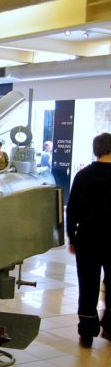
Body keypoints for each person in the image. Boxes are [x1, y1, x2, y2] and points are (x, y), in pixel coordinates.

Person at [66, 132, 111, 348]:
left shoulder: (83, 176)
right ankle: (110, 327)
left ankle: (87, 332)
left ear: (96, 150)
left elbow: (71, 210)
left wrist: (72, 237)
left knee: (88, 285)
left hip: (88, 239)